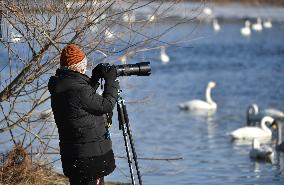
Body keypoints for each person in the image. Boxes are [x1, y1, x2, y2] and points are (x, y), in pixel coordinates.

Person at [48, 44, 119, 185]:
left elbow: (82, 104)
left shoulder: (61, 86)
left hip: (74, 156)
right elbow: (106, 105)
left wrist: (94, 79)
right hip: (90, 159)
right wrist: (111, 81)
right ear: (80, 67)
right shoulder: (79, 90)